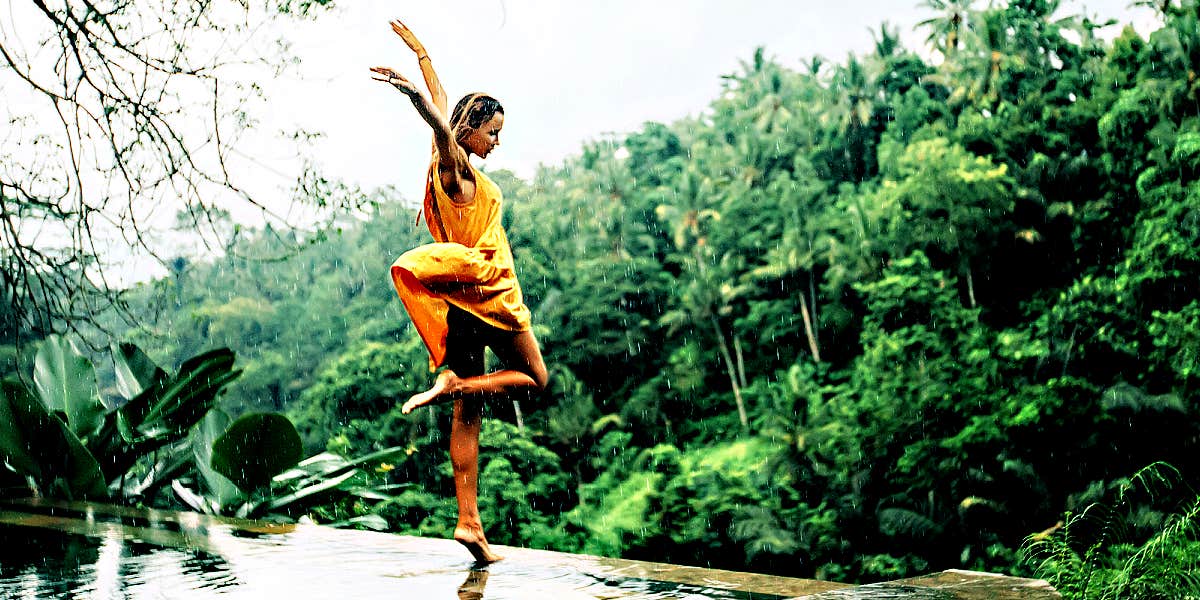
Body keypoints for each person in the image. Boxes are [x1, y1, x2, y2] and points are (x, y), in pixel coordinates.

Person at [370, 19, 548, 564]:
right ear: (468, 130)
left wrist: (422, 55)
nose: (496, 142)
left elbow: (443, 111)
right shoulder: (456, 171)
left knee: (467, 418)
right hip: (492, 292)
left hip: (459, 301)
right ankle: (459, 385)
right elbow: (441, 123)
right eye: (491, 132)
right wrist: (415, 98)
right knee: (535, 380)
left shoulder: (439, 168)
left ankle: (468, 523)